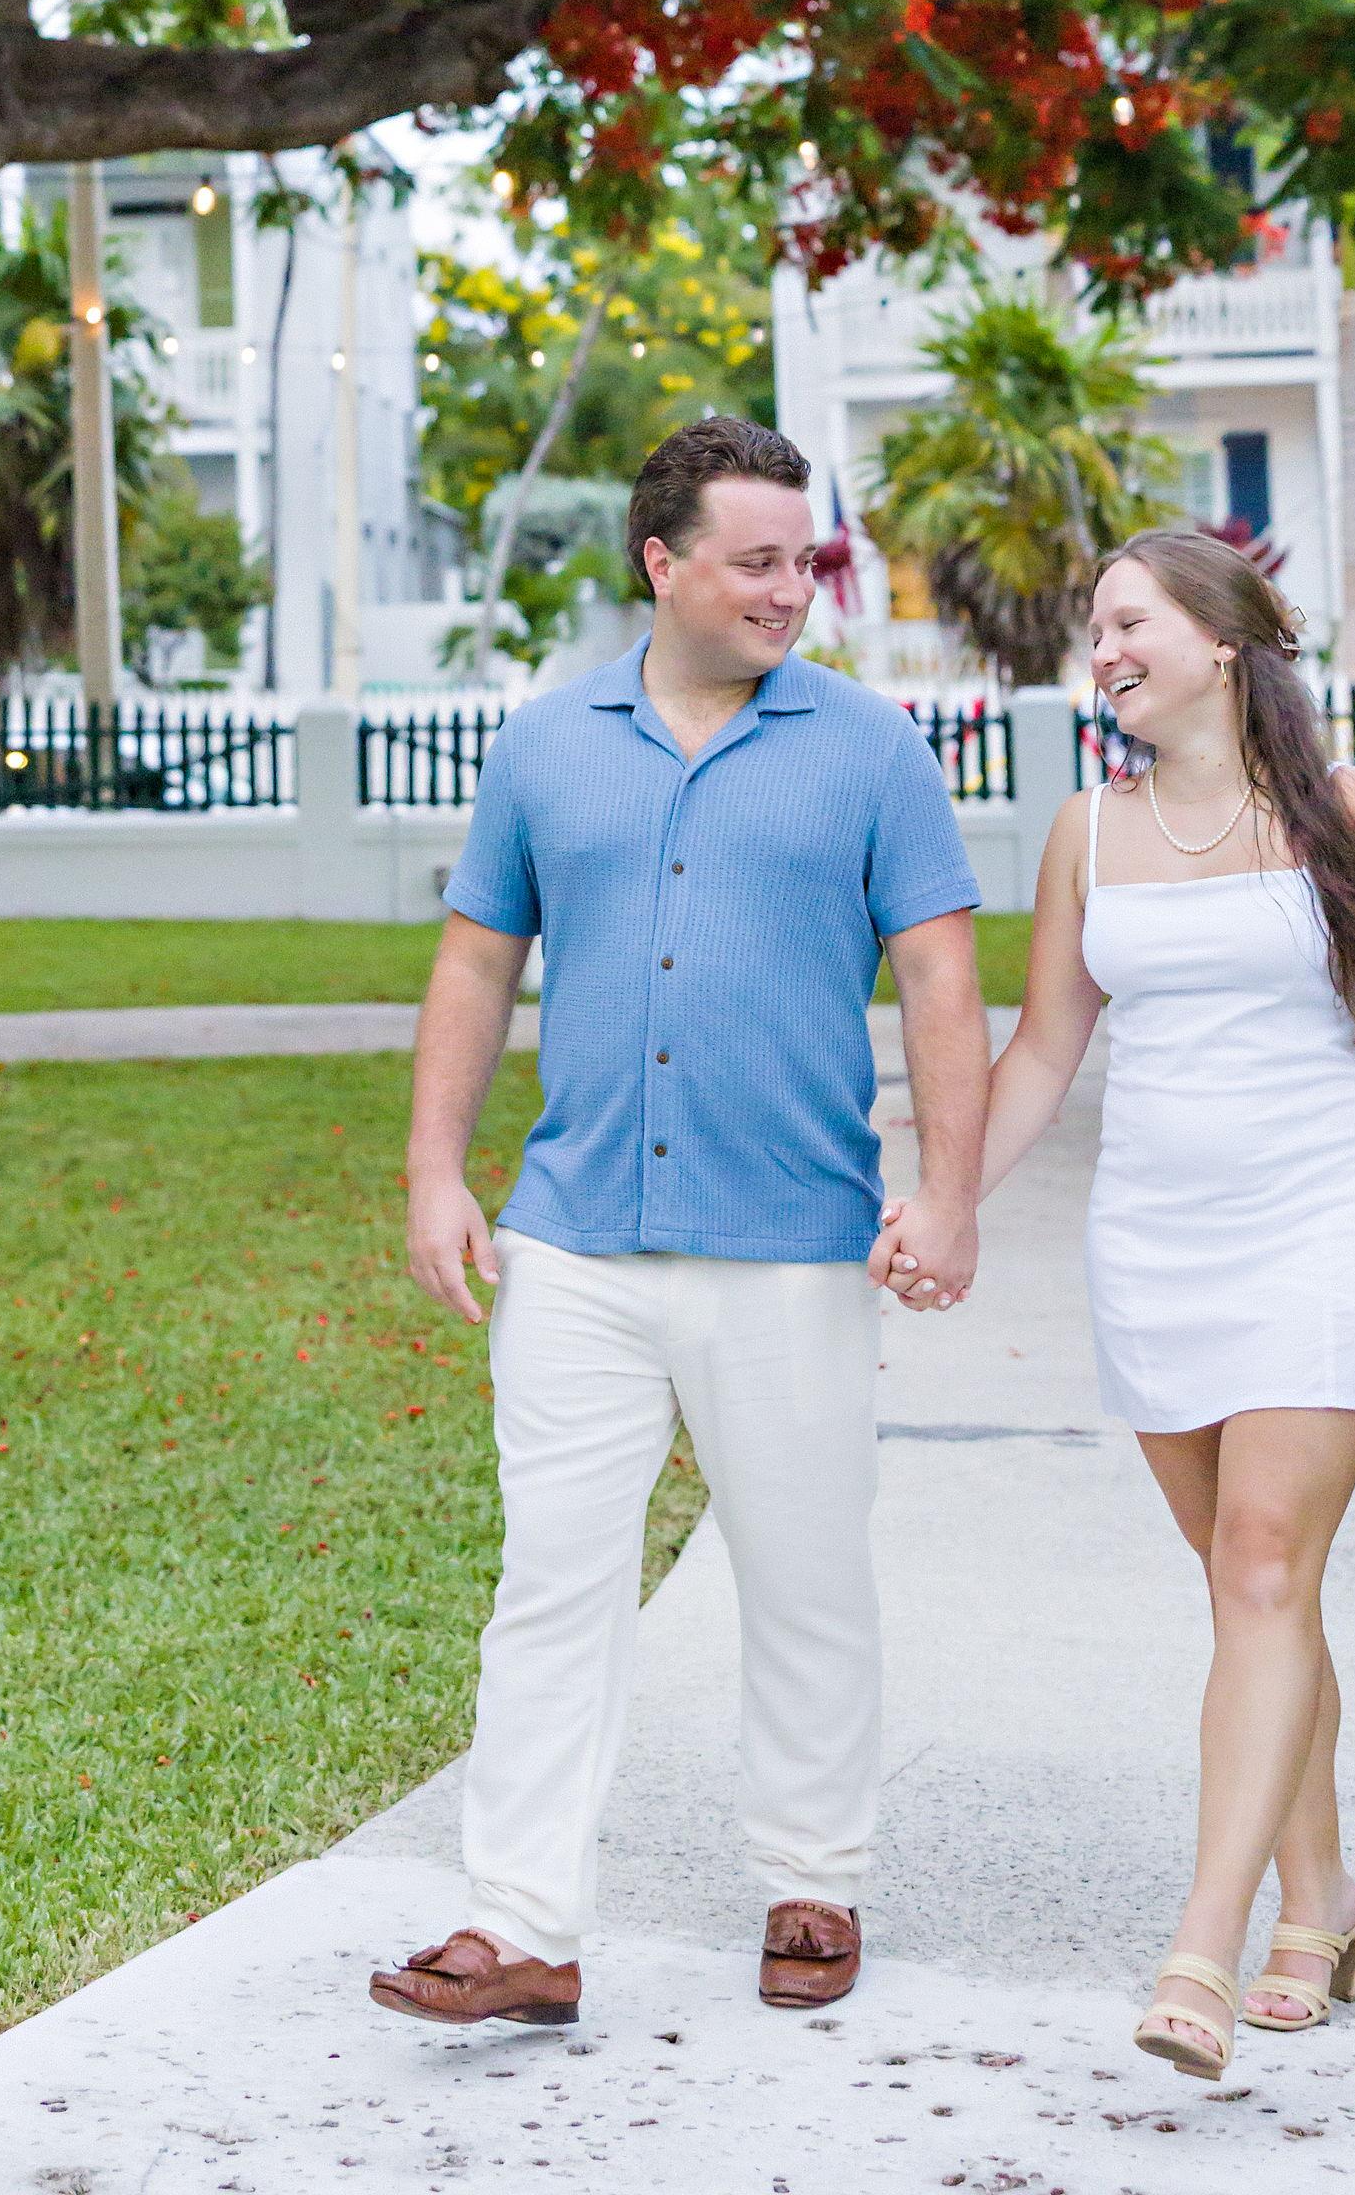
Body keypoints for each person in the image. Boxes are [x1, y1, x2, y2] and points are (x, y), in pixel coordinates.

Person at [369, 416, 990, 2033]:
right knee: (552, 1584)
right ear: (663, 562)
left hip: (792, 1242)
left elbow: (940, 978)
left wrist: (950, 1191)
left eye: (805, 560)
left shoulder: (869, 748)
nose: (793, 589)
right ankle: (520, 1926)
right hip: (574, 1241)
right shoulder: (543, 744)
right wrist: (436, 1170)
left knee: (804, 1574)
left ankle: (813, 1878)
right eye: (757, 561)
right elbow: (476, 963)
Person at [919, 527, 1355, 2083]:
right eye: (1094, 630)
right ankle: (1326, 1898)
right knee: (1257, 1597)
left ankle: (1202, 1953)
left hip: (1329, 1230)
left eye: (1129, 623)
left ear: (1224, 639)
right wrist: (951, 1196)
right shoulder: (1086, 833)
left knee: (1262, 1563)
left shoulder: (1349, 815)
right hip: (1157, 1248)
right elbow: (1046, 1051)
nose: (1102, 651)